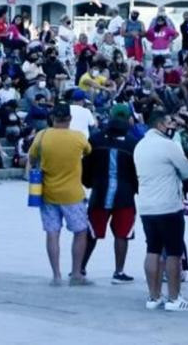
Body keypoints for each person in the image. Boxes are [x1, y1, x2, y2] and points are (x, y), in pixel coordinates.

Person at [134, 112, 188, 312]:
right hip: (168, 206)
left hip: (146, 207)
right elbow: (186, 171)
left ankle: (153, 296)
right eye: (169, 122)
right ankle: (174, 298)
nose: (172, 126)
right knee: (173, 253)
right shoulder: (169, 145)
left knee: (152, 249)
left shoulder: (140, 146)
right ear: (161, 125)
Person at [28, 102, 93, 286]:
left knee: (52, 233)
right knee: (80, 232)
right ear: (70, 119)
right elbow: (88, 151)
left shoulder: (42, 136)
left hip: (47, 193)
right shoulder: (78, 137)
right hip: (72, 194)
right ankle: (76, 274)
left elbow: (32, 157)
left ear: (52, 118)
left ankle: (56, 275)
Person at [81, 109, 138, 284]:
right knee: (122, 234)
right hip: (125, 194)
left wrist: (89, 183)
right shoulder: (132, 143)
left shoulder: (95, 140)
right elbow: (137, 171)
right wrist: (136, 188)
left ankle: (80, 268)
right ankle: (119, 272)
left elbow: (86, 166)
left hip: (100, 192)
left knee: (91, 233)